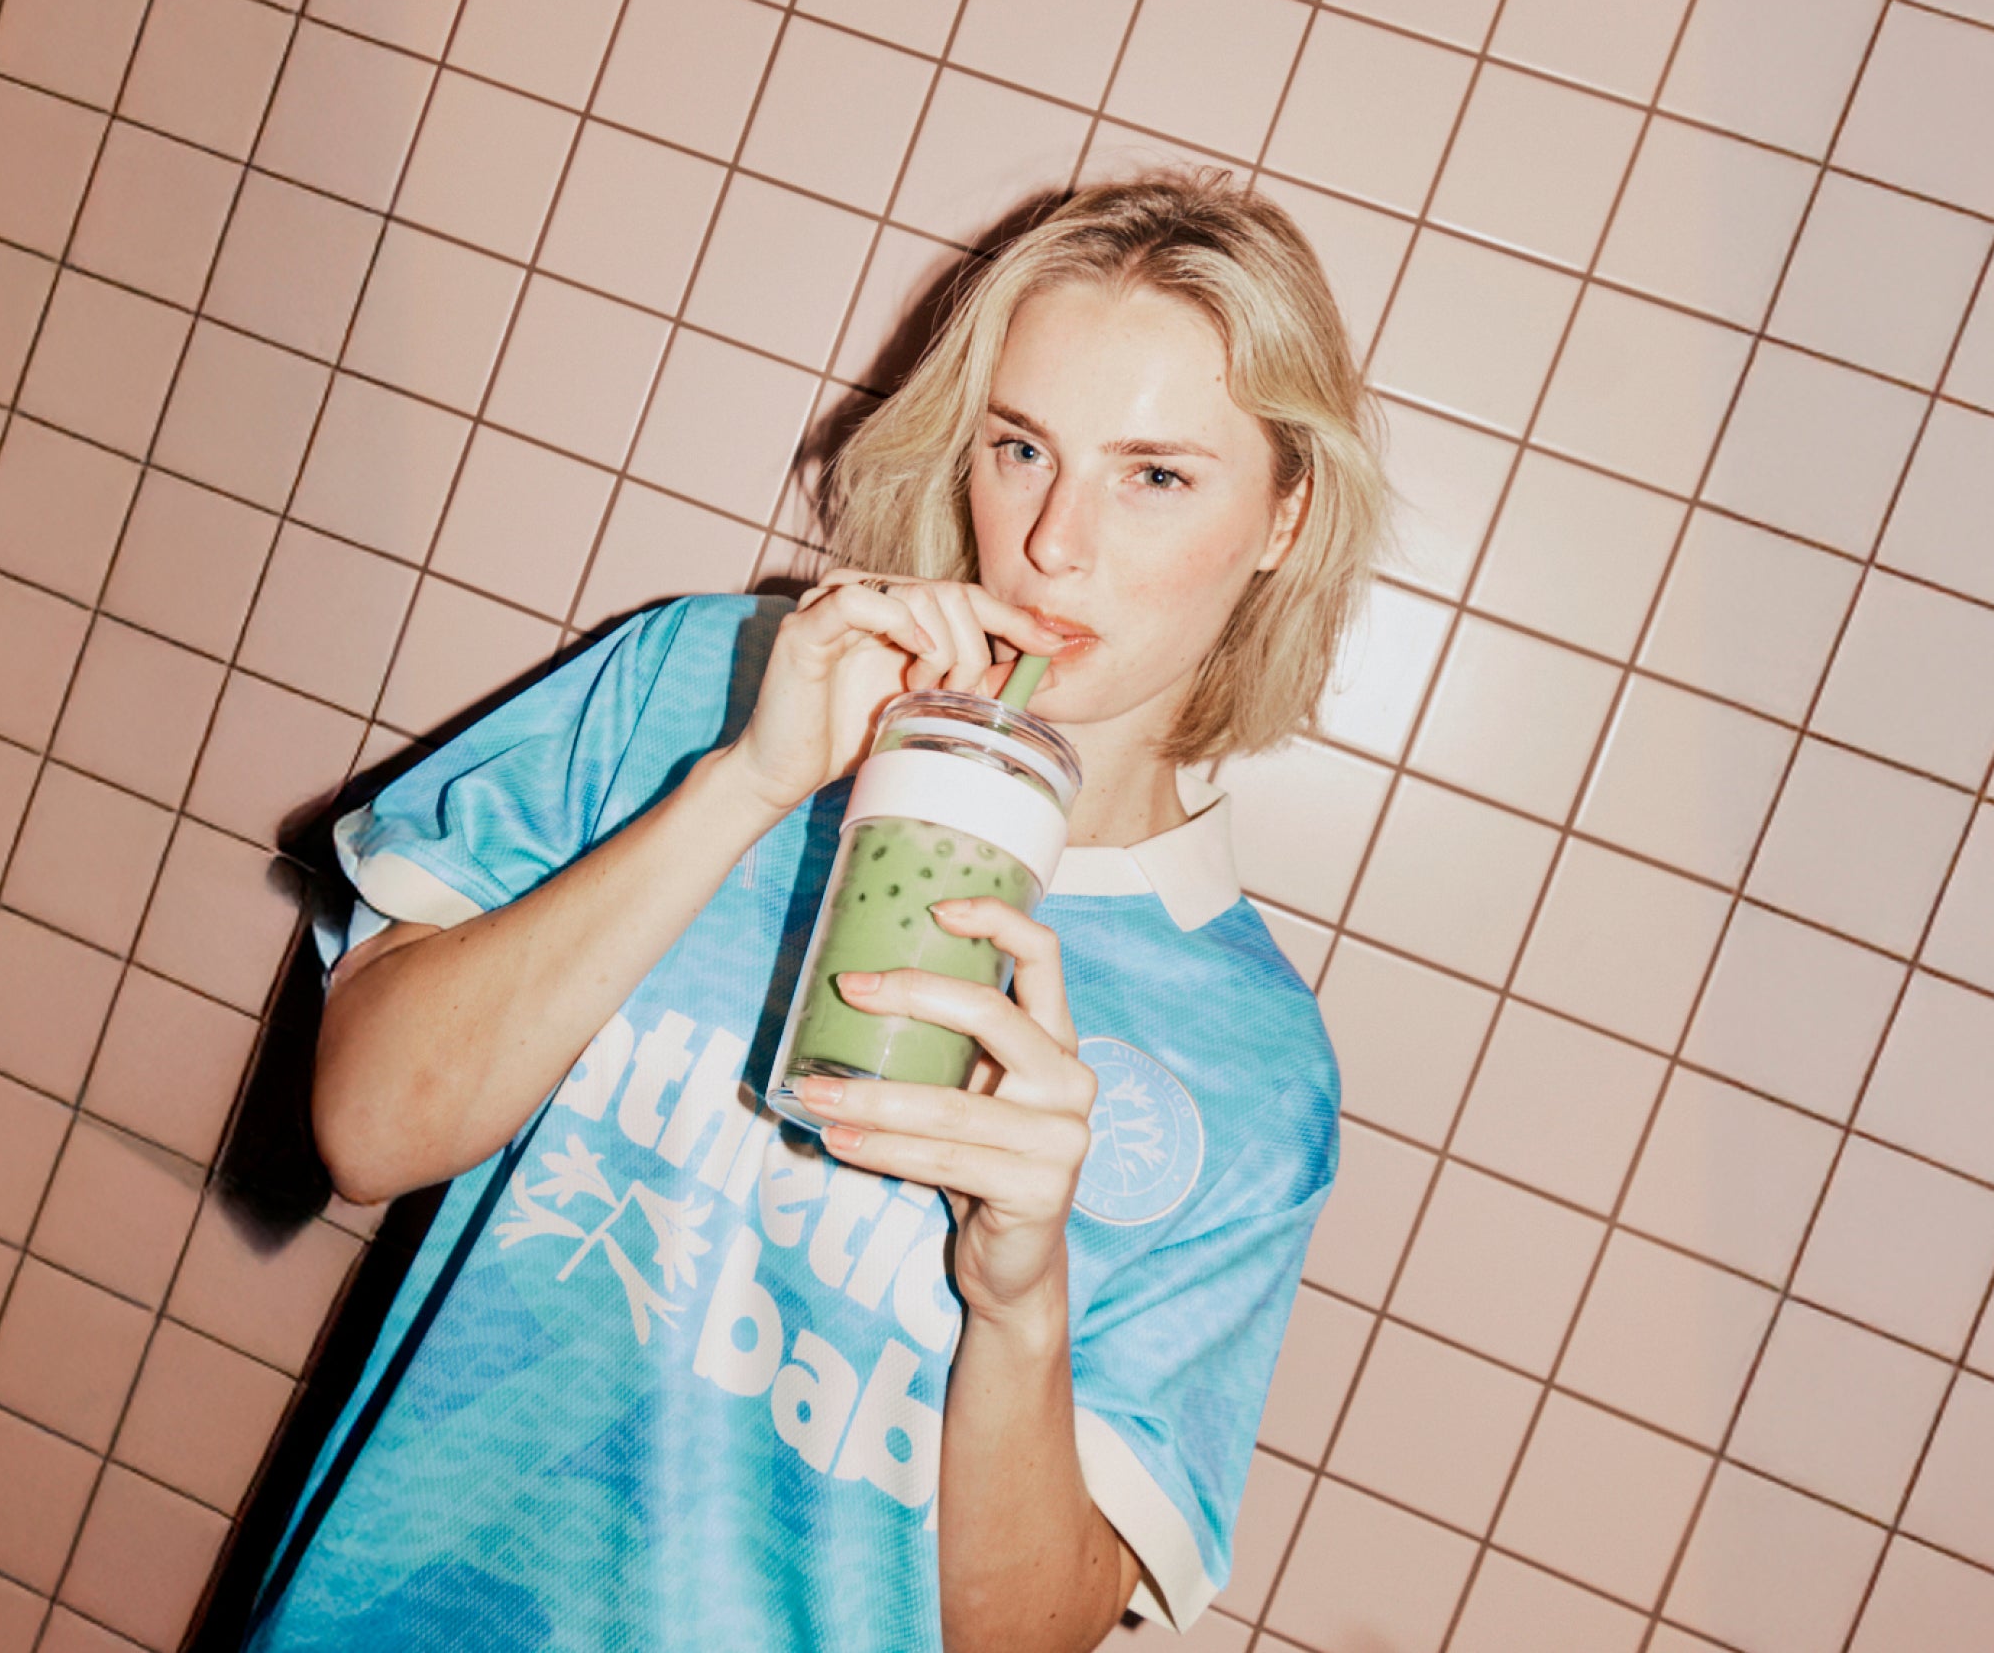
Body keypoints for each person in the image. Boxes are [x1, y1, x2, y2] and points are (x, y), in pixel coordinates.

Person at [239, 169, 1387, 1653]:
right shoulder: (703, 686)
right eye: (1020, 447)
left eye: (1155, 476)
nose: (1052, 541)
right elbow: (370, 1127)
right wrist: (744, 784)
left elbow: (1012, 1637)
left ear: (1286, 513)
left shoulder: (1248, 1067)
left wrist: (1019, 1289)